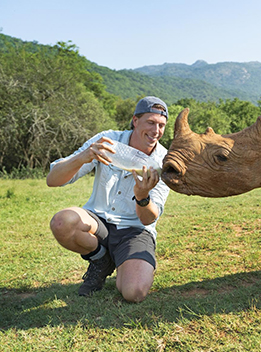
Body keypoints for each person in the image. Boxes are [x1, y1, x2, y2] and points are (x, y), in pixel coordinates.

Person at [47, 96, 171, 303]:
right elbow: (53, 179)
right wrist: (83, 157)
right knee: (62, 222)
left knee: (134, 293)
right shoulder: (107, 141)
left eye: (161, 125)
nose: (156, 131)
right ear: (135, 120)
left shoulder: (163, 162)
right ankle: (100, 259)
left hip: (134, 230)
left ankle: (123, 262)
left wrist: (141, 197)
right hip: (98, 221)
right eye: (150, 122)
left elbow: (149, 218)